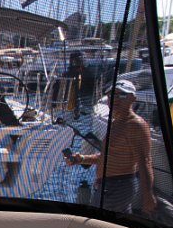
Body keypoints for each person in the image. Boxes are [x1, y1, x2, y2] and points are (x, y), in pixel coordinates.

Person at [65, 81, 157, 215]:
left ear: (133, 98)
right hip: (109, 186)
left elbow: (145, 162)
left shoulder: (135, 125)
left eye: (122, 95)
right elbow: (109, 156)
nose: (115, 99)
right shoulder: (118, 123)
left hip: (116, 187)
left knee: (97, 223)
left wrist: (148, 195)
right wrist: (81, 159)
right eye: (111, 95)